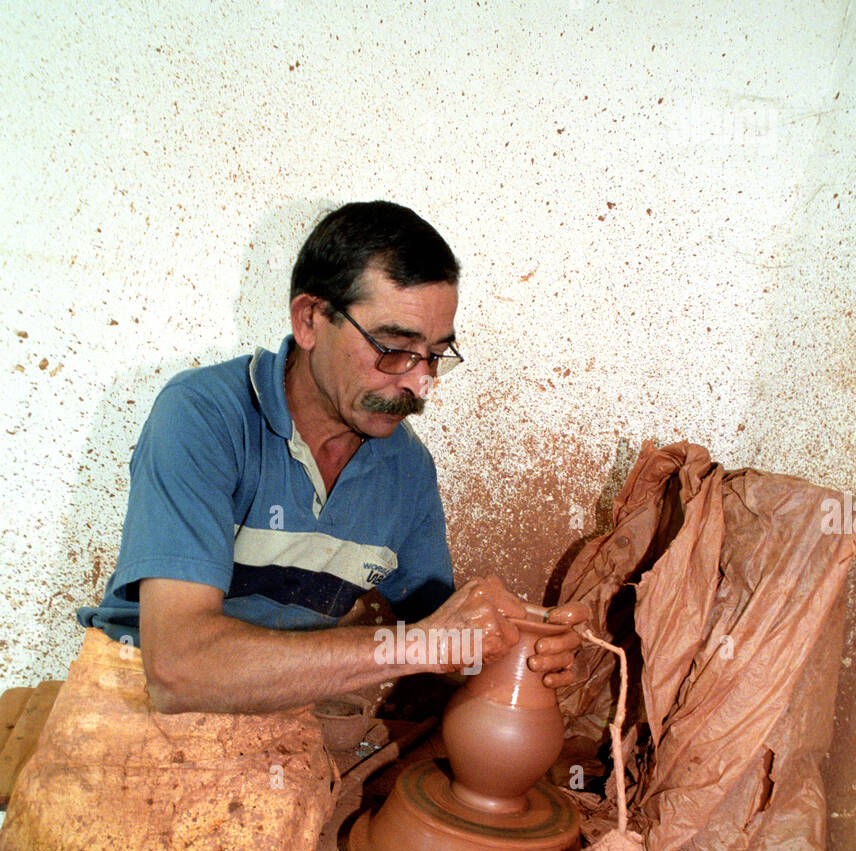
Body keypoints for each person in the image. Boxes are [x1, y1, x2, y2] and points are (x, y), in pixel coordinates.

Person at [78, 200, 585, 712]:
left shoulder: (406, 470)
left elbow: (448, 650)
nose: (419, 381)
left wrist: (522, 644)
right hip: (131, 706)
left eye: (436, 354)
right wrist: (423, 643)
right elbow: (179, 672)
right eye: (394, 348)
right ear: (311, 320)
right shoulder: (205, 416)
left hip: (281, 714)